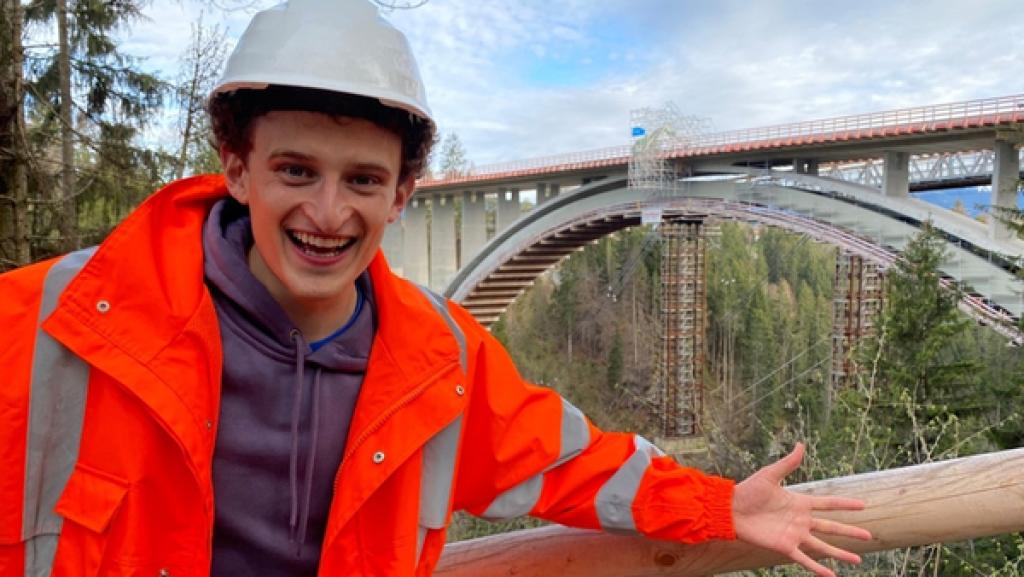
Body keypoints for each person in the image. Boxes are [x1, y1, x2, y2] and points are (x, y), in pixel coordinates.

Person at [0, 0, 871, 575]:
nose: (328, 213)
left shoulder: (437, 359)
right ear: (236, 166)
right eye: (295, 170)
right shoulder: (60, 317)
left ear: (404, 193)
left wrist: (720, 501)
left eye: (364, 181)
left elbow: (573, 463)